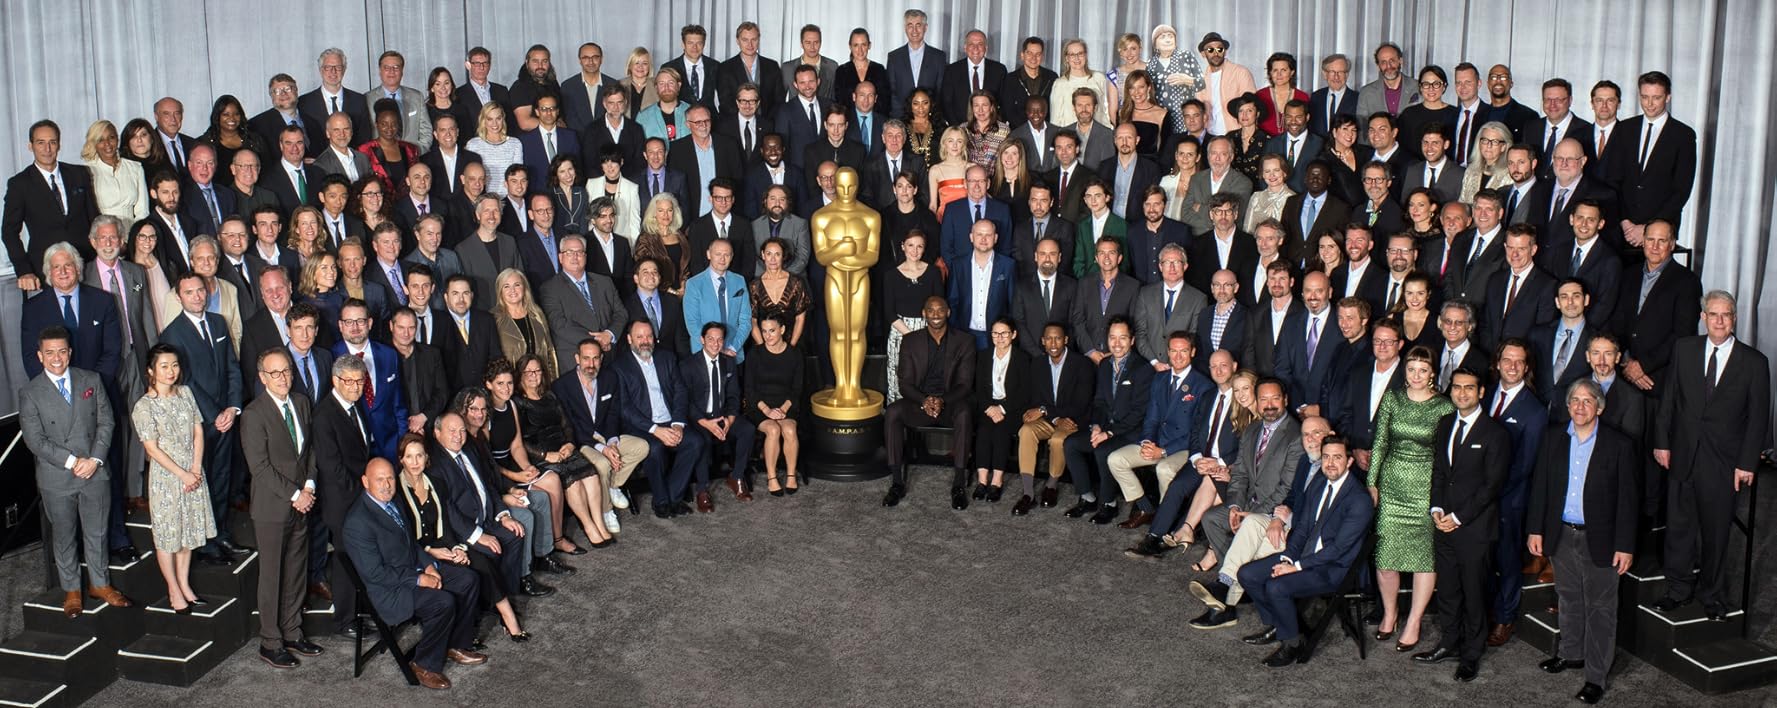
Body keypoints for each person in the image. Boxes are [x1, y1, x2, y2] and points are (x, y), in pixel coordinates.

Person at [1653, 291, 1770, 621]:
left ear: (1735, 318)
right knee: (1679, 527)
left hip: (1724, 462)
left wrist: (1747, 463)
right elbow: (1669, 399)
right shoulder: (1684, 349)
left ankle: (1712, 596)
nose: (1719, 321)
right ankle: (1677, 589)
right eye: (1713, 314)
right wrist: (1662, 442)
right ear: (1703, 317)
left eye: (1726, 315)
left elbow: (1759, 417)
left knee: (1716, 532)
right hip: (1683, 454)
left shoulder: (1754, 362)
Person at [1527, 379, 1639, 704]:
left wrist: (1625, 545)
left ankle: (1595, 677)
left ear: (1599, 408)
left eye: (1587, 401)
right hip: (1561, 533)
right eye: (1574, 400)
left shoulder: (1619, 445)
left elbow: (1628, 501)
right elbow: (1541, 486)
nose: (1579, 406)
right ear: (1567, 405)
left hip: (1601, 539)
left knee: (1601, 608)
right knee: (1568, 597)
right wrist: (1536, 529)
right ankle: (1570, 653)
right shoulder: (1553, 438)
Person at [341, 457, 486, 691]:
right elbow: (376, 574)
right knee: (442, 602)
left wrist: (429, 566)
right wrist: (419, 579)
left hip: (412, 569)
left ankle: (456, 644)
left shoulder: (393, 501)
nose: (387, 485)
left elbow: (411, 544)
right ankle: (423, 664)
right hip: (391, 590)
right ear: (365, 482)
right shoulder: (357, 522)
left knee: (468, 579)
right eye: (380, 480)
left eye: (390, 478)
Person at [21, 326, 130, 618]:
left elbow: (107, 422)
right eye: (49, 353)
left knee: (97, 531)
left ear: (70, 352)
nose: (56, 358)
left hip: (95, 471)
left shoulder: (90, 379)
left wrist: (94, 459)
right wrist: (72, 462)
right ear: (40, 356)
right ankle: (71, 590)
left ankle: (100, 584)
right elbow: (35, 440)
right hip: (57, 477)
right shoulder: (30, 392)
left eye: (61, 351)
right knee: (64, 535)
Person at [1237, 435, 1374, 667]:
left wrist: (1296, 567)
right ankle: (1282, 625)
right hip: (1305, 556)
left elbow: (1338, 550)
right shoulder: (1319, 483)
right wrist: (1288, 557)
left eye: (1337, 457)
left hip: (1334, 569)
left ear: (1349, 461)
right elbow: (1302, 528)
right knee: (1247, 574)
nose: (1330, 463)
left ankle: (1292, 643)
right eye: (1326, 457)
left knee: (1276, 586)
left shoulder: (1359, 500)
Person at [1179, 415, 1329, 624]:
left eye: (1317, 433)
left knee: (1250, 554)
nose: (1311, 439)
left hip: (1303, 536)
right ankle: (1224, 587)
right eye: (1306, 435)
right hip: (1284, 522)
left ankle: (1225, 600)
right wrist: (1277, 518)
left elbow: (1325, 516)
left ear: (1330, 435)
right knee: (1250, 523)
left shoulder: (1333, 468)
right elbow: (1292, 496)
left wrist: (1288, 520)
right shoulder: (1307, 461)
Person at [1411, 368, 1509, 680]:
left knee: (1474, 593)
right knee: (1449, 591)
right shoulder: (1444, 424)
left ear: (1481, 392)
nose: (1462, 393)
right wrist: (1437, 509)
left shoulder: (1495, 433)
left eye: (1469, 388)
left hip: (1474, 529)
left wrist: (1457, 517)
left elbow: (1491, 487)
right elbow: (1440, 472)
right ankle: (1449, 643)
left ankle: (1471, 654)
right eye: (1456, 387)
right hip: (1443, 524)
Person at [1367, 345, 1456, 651]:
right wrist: (1372, 483)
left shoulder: (1444, 406)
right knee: (1385, 557)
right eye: (1411, 369)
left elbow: (1446, 456)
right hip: (1392, 488)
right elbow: (1380, 442)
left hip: (1425, 490)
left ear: (1432, 373)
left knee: (1423, 559)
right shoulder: (1392, 398)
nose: (1416, 375)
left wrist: (1443, 497)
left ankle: (1414, 620)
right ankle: (1390, 613)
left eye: (1423, 370)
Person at [238, 348, 323, 667]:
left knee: (296, 570)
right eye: (275, 373)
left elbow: (310, 450)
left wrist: (310, 485)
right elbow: (259, 467)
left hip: (303, 502)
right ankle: (270, 642)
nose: (282, 378)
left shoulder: (301, 402)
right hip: (272, 508)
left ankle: (292, 631)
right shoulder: (254, 414)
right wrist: (295, 494)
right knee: (272, 575)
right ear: (263, 378)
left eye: (286, 371)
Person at [882, 296, 976, 508]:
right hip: (919, 403)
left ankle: (958, 485)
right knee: (893, 412)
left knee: (964, 413)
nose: (935, 315)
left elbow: (964, 384)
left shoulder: (964, 341)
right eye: (931, 310)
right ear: (923, 313)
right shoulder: (910, 340)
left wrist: (942, 400)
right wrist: (924, 400)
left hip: (950, 403)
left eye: (940, 310)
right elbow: (905, 384)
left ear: (948, 312)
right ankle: (897, 483)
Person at [613, 319, 706, 518]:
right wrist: (655, 430)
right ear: (629, 339)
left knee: (695, 442)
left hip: (670, 421)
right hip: (642, 427)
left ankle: (673, 497)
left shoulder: (667, 357)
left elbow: (680, 391)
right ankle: (661, 501)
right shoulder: (619, 367)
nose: (645, 341)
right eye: (639, 337)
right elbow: (624, 408)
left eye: (649, 336)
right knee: (654, 449)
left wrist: (678, 424)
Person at [6, 120, 101, 283]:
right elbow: (9, 232)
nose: (47, 149)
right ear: (30, 146)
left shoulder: (79, 174)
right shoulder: (20, 184)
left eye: (52, 142)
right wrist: (24, 270)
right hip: (45, 269)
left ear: (59, 145)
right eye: (41, 143)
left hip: (87, 264)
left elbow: (94, 219)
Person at [678, 323, 751, 511]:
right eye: (710, 339)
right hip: (699, 419)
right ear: (702, 340)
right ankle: (702, 490)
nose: (715, 343)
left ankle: (736, 476)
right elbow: (686, 402)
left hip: (722, 416)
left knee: (747, 430)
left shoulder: (729, 362)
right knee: (701, 439)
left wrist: (730, 419)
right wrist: (706, 423)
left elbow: (734, 395)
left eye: (719, 339)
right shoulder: (688, 365)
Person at [741, 314, 803, 497]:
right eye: (764, 331)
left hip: (786, 405)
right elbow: (749, 389)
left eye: (772, 331)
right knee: (773, 430)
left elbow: (797, 388)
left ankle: (791, 475)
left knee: (789, 430)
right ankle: (772, 477)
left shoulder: (795, 354)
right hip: (759, 406)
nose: (767, 336)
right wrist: (767, 410)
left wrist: (783, 409)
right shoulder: (755, 354)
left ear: (782, 330)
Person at [494, 269, 557, 379]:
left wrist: (553, 381)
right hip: (511, 383)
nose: (512, 290)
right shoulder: (494, 318)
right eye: (506, 286)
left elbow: (550, 350)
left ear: (525, 287)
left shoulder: (537, 313)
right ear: (500, 291)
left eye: (517, 285)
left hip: (539, 381)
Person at [749, 237, 811, 347]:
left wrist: (790, 348)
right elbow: (752, 321)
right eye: (769, 254)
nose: (772, 259)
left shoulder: (796, 283)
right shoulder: (754, 286)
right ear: (763, 255)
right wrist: (763, 348)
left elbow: (800, 318)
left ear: (783, 256)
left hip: (793, 345)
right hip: (764, 346)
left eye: (777, 254)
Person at [82, 120, 149, 222]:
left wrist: (136, 230)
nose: (107, 144)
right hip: (102, 229)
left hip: (132, 228)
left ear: (117, 139)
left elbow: (142, 211)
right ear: (94, 144)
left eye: (111, 137)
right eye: (101, 140)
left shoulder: (135, 168)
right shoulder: (87, 171)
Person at [886, 9, 946, 118]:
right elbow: (892, 92)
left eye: (918, 25)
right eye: (910, 25)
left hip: (930, 120)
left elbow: (940, 91)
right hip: (901, 120)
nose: (914, 30)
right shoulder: (894, 57)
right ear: (905, 28)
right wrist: (899, 119)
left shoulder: (939, 57)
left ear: (925, 28)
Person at [1051, 40, 1112, 128]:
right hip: (1070, 134)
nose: (1077, 58)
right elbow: (1055, 119)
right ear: (1067, 58)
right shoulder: (1060, 84)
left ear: (1086, 55)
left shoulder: (1098, 78)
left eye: (1080, 53)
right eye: (1072, 55)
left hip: (1096, 132)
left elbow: (1105, 111)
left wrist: (1107, 131)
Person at [834, 28, 890, 113]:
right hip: (849, 119)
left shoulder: (879, 70)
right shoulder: (842, 71)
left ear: (869, 45)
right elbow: (840, 102)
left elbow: (885, 102)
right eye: (856, 45)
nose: (860, 50)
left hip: (875, 119)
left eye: (863, 45)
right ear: (850, 46)